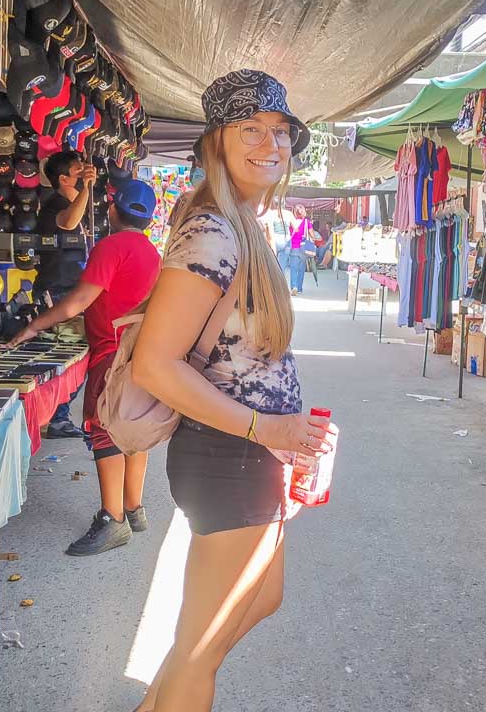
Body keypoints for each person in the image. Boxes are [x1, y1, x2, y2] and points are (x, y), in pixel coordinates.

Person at [130, 69, 337, 712]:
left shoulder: (239, 222)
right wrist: (265, 429)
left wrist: (282, 437)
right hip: (229, 455)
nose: (269, 144)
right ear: (216, 141)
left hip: (249, 457)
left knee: (253, 603)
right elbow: (153, 365)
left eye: (279, 131)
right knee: (201, 651)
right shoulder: (215, 232)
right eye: (249, 129)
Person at [7, 181, 161, 555]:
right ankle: (133, 508)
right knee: (133, 427)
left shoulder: (112, 246)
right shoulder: (151, 251)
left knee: (103, 428)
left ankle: (113, 520)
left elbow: (78, 301)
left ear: (112, 210)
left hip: (110, 352)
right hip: (138, 351)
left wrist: (32, 326)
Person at [36, 150, 96, 439]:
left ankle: (59, 415)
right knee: (67, 353)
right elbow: (69, 222)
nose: (84, 174)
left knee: (75, 356)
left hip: (69, 288)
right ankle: (57, 417)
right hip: (57, 290)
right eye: (78, 171)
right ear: (63, 179)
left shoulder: (73, 202)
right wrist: (86, 188)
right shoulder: (54, 205)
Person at [286, 204, 312, 295]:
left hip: (293, 246)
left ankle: (294, 286)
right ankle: (300, 288)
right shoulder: (307, 222)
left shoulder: (291, 222)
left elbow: (288, 233)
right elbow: (312, 234)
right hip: (303, 247)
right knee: (301, 268)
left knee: (293, 268)